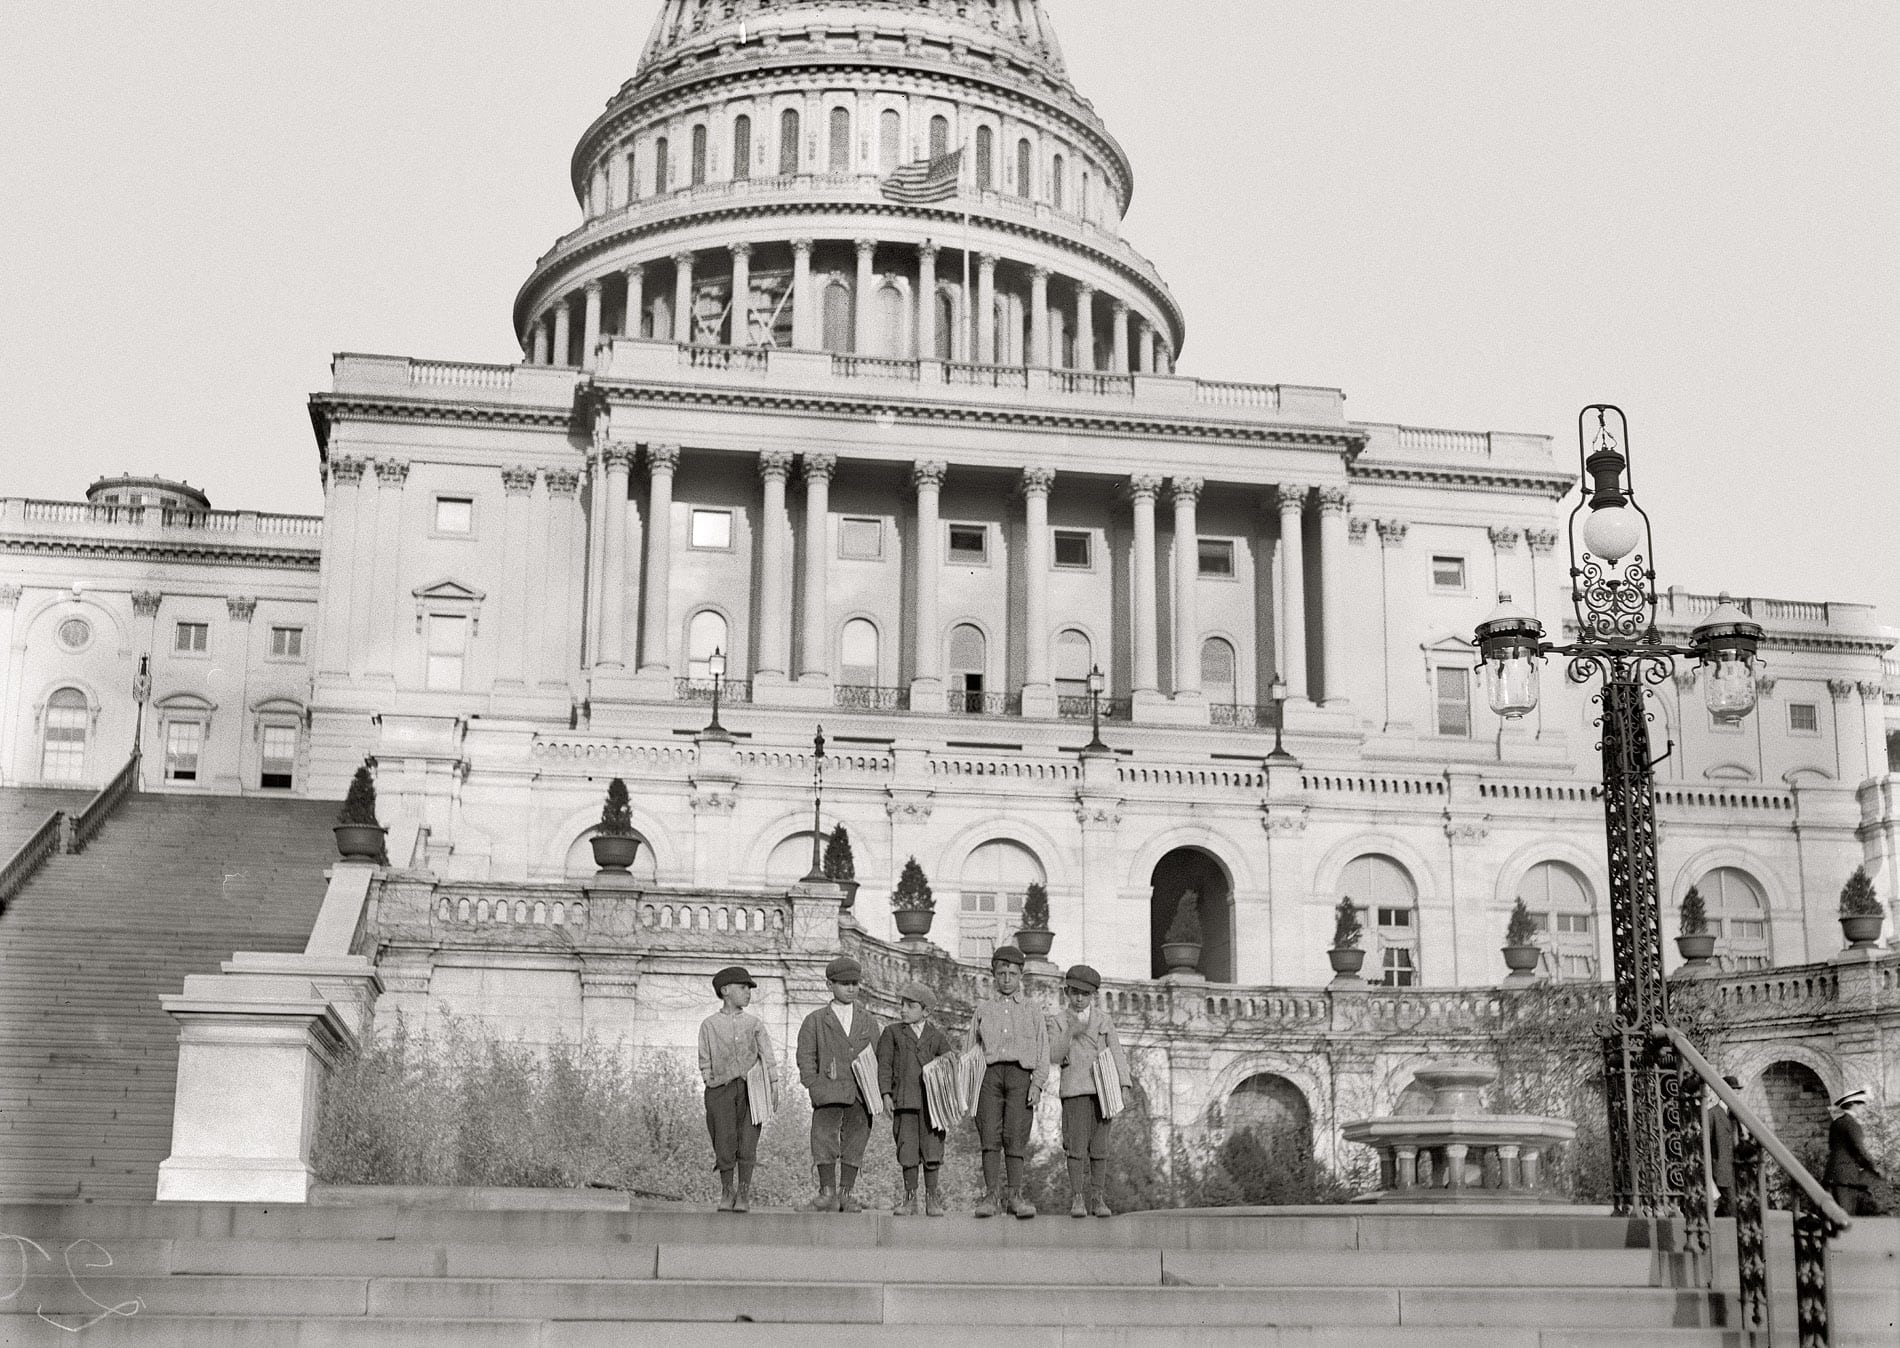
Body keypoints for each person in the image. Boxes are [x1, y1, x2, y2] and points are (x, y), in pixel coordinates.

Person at [963, 943, 1051, 1219]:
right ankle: (991, 1196)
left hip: (1019, 1076)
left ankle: (1015, 1195)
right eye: (1001, 973)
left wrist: (1036, 1085)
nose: (1006, 979)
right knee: (989, 1135)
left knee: (1015, 1137)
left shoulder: (1032, 1010)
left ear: (1020, 976)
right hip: (989, 1077)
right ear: (994, 975)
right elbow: (969, 1051)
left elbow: (1042, 1050)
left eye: (1012, 974)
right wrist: (967, 1088)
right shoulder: (982, 1010)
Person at [796, 955, 882, 1212]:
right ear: (829, 985)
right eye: (844, 983)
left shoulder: (868, 1020)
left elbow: (879, 1055)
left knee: (856, 1140)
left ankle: (846, 1194)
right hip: (828, 1092)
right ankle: (827, 1193)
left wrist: (875, 1088)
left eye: (855, 983)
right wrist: (814, 1084)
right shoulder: (815, 1020)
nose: (851, 988)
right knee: (823, 1139)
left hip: (860, 1093)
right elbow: (805, 1055)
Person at [1053, 963, 1131, 1219]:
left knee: (1099, 1148)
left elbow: (1117, 1053)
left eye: (1084, 993)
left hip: (1103, 1092)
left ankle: (1097, 1197)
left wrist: (1124, 1085)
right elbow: (1054, 1054)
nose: (1079, 998)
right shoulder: (1059, 1021)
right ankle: (1077, 1198)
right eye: (1074, 992)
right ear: (1067, 992)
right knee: (1075, 1147)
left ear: (1093, 995)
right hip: (1075, 1090)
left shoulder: (1103, 1021)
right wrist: (1070, 1033)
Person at [697, 964, 775, 1213]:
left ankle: (743, 1193)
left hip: (751, 1090)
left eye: (749, 988)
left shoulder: (754, 1024)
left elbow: (767, 1055)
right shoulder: (709, 1025)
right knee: (724, 1139)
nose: (748, 993)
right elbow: (704, 1057)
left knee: (748, 1140)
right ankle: (726, 1190)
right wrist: (710, 1079)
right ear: (725, 990)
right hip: (720, 1090)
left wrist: (773, 1085)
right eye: (743, 988)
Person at [876, 980, 954, 1216]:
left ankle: (932, 1199)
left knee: (932, 1150)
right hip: (905, 1102)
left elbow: (950, 1067)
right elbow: (884, 1066)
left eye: (910, 1006)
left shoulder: (937, 1037)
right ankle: (910, 1199)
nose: (903, 1010)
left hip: (932, 1108)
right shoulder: (892, 1033)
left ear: (926, 1011)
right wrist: (885, 1094)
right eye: (902, 1005)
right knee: (907, 1150)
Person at [1824, 1089, 1884, 1216]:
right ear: (1853, 1105)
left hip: (1834, 1174)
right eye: (1861, 1105)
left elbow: (1833, 1146)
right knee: (1844, 1216)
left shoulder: (1837, 1122)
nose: (1863, 1109)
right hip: (1845, 1178)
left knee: (1835, 1215)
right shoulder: (1851, 1124)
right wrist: (1875, 1168)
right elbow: (1859, 1149)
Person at [1706, 1074, 1742, 1217]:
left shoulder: (1736, 1115)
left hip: (1736, 1171)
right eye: (1731, 1090)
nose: (1735, 1095)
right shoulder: (1712, 1114)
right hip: (1720, 1172)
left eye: (1736, 1091)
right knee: (1729, 1209)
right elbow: (1706, 1145)